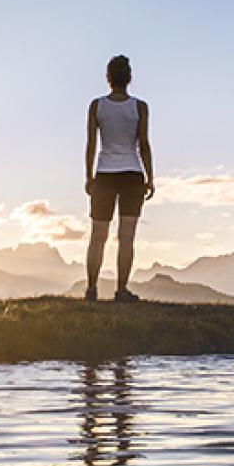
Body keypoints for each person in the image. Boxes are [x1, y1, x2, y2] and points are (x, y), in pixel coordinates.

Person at [84, 55, 154, 303]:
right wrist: (150, 177)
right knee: (126, 237)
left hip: (104, 174)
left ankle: (91, 289)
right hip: (132, 174)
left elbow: (91, 144)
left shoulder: (96, 106)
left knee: (97, 236)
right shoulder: (139, 107)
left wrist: (89, 177)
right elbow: (143, 145)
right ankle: (121, 291)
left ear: (108, 78)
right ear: (129, 78)